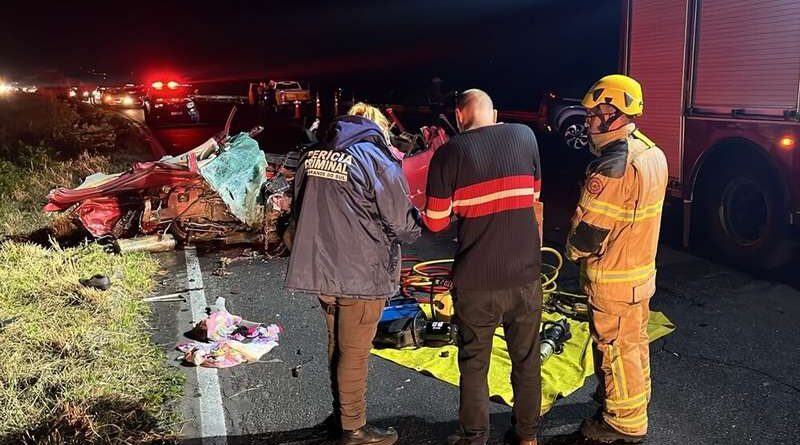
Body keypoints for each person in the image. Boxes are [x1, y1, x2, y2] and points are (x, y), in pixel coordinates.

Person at [285, 105, 421, 445]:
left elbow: (297, 207)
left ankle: (341, 417)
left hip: (321, 270)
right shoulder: (374, 158)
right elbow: (402, 223)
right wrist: (421, 224)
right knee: (356, 351)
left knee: (337, 344)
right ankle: (355, 429)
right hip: (362, 272)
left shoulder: (315, 155)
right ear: (376, 127)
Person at [422, 89, 543, 445]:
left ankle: (475, 438)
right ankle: (527, 436)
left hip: (476, 282)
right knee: (527, 359)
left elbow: (435, 222)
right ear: (495, 112)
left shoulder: (449, 154)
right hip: (525, 276)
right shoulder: (525, 136)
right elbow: (534, 193)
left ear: (459, 116)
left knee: (475, 364)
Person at [565, 74, 668, 443]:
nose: (588, 121)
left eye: (594, 114)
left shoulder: (612, 166)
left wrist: (571, 251)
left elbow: (587, 235)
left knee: (614, 351)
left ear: (613, 111)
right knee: (633, 345)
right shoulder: (650, 152)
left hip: (613, 280)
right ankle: (629, 401)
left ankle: (622, 424)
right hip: (639, 275)